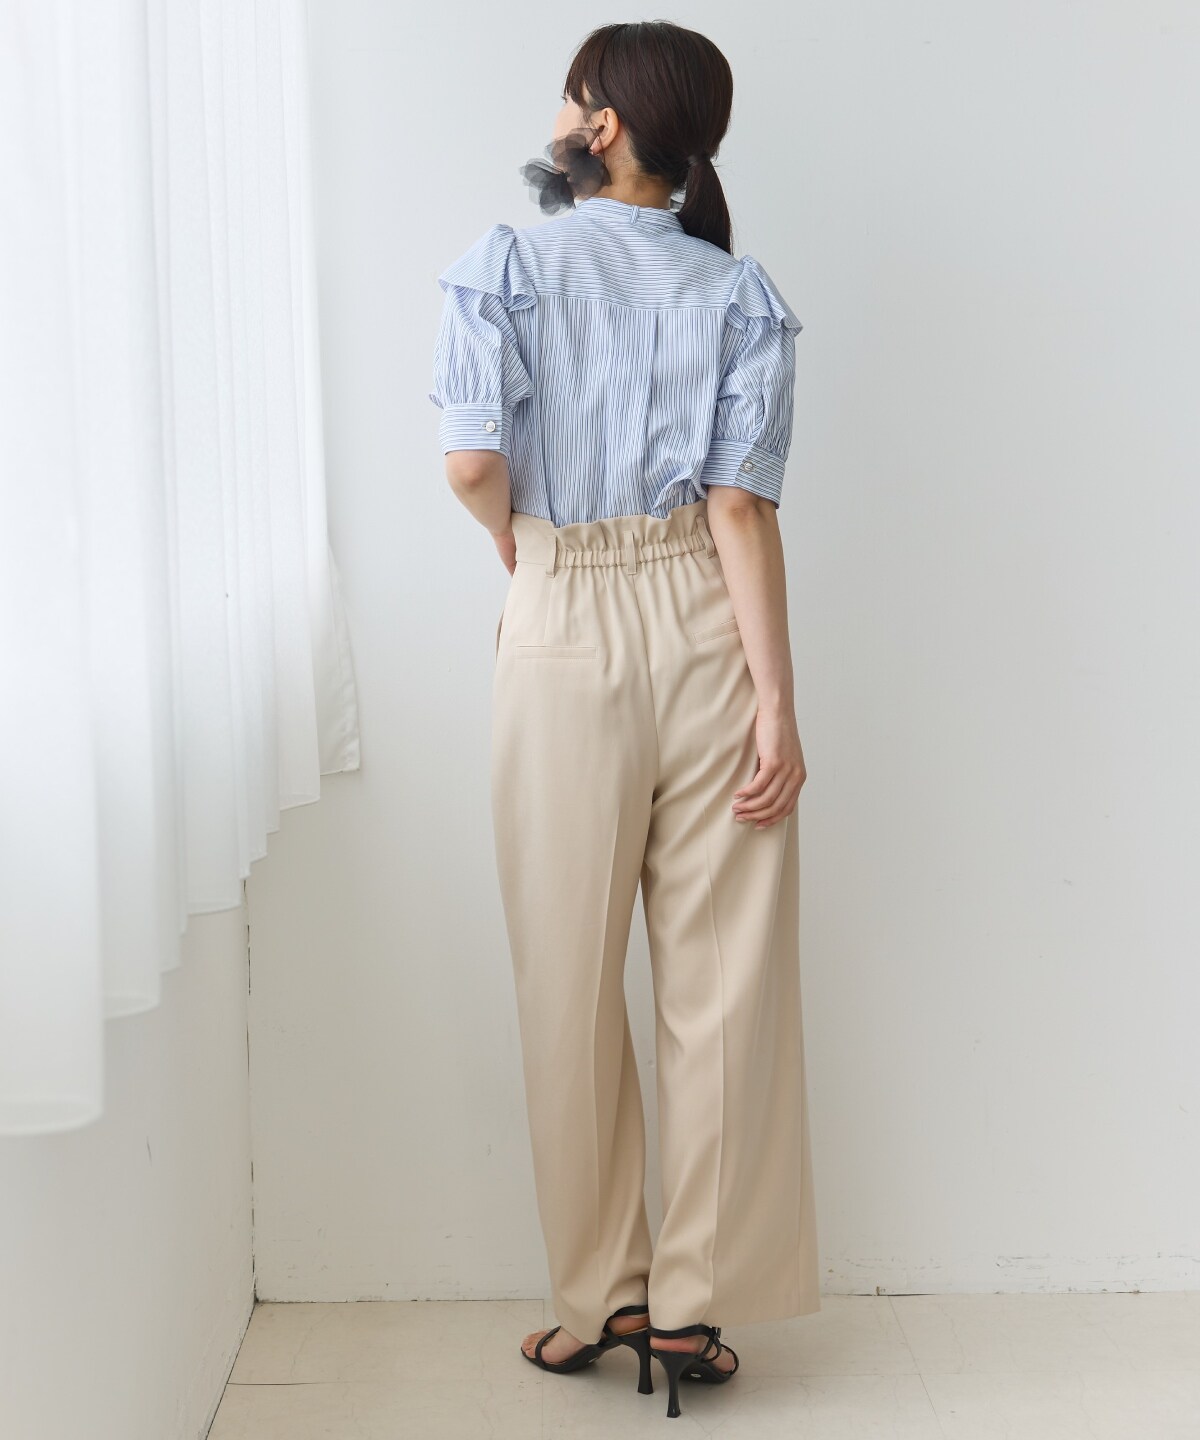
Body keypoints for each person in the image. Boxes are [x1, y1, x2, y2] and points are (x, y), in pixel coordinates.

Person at [428, 20, 820, 1420]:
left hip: (563, 617)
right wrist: (776, 701)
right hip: (707, 625)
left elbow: (471, 461)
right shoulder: (740, 290)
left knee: (567, 975)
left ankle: (606, 1299)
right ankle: (695, 1314)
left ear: (599, 126)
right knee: (720, 979)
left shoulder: (505, 264)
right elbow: (740, 508)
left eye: (567, 97)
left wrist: (515, 545)